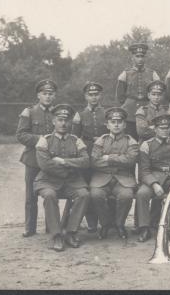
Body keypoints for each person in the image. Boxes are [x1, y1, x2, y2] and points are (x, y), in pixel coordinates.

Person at [34, 104, 90, 252]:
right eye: (60, 120)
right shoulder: (44, 140)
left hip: (72, 182)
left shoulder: (76, 140)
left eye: (66, 120)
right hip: (48, 181)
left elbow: (86, 161)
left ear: (71, 122)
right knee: (49, 195)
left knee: (83, 194)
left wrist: (65, 161)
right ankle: (56, 235)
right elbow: (44, 164)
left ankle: (71, 232)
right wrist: (70, 168)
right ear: (53, 121)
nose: (63, 123)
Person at [136, 112, 170, 242]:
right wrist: (154, 184)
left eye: (167, 128)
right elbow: (144, 170)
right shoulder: (147, 145)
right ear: (155, 129)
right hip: (154, 176)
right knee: (142, 194)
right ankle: (144, 228)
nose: (164, 131)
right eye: (161, 128)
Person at [16, 79, 57, 237]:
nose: (48, 96)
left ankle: (50, 226)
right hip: (33, 159)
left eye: (51, 94)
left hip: (51, 160)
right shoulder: (29, 112)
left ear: (55, 96)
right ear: (38, 95)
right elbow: (20, 135)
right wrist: (38, 139)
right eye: (44, 93)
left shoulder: (58, 113)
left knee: (51, 193)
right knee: (31, 196)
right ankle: (30, 228)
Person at [89, 107, 139, 240]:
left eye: (119, 121)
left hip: (124, 178)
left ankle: (119, 224)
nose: (116, 124)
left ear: (124, 124)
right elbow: (94, 161)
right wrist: (119, 159)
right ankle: (105, 224)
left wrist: (109, 158)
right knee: (95, 194)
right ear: (107, 124)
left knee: (126, 195)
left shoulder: (131, 141)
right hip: (101, 178)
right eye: (113, 121)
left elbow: (130, 160)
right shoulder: (101, 140)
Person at [72, 81, 107, 233]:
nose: (94, 98)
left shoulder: (107, 114)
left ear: (101, 96)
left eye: (96, 94)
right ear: (85, 96)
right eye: (90, 95)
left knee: (103, 188)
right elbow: (75, 138)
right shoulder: (80, 115)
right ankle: (91, 222)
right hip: (86, 156)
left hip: (102, 155)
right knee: (86, 188)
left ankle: (108, 222)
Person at [116, 42, 161, 140]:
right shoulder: (125, 74)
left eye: (142, 56)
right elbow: (120, 96)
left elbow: (159, 92)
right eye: (137, 56)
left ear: (145, 58)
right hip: (130, 113)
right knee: (130, 139)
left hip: (148, 112)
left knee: (148, 138)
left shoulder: (152, 74)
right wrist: (129, 105)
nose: (140, 59)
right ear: (132, 57)